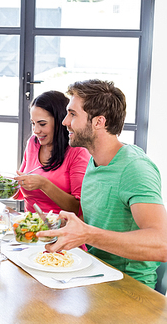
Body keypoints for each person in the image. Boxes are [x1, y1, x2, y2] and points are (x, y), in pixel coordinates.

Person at [37, 79, 167, 288]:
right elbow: (99, 222)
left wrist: (87, 234)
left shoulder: (135, 168)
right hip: (95, 276)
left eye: (72, 114)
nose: (64, 122)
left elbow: (162, 244)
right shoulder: (94, 161)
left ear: (98, 122)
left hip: (129, 289)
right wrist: (62, 227)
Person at [0, 91, 91, 215]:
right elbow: (21, 192)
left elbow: (79, 209)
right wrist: (6, 185)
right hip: (28, 224)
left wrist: (44, 184)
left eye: (42, 124)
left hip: (61, 227)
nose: (35, 130)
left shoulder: (78, 151)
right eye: (33, 123)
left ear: (60, 121)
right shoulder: (33, 143)